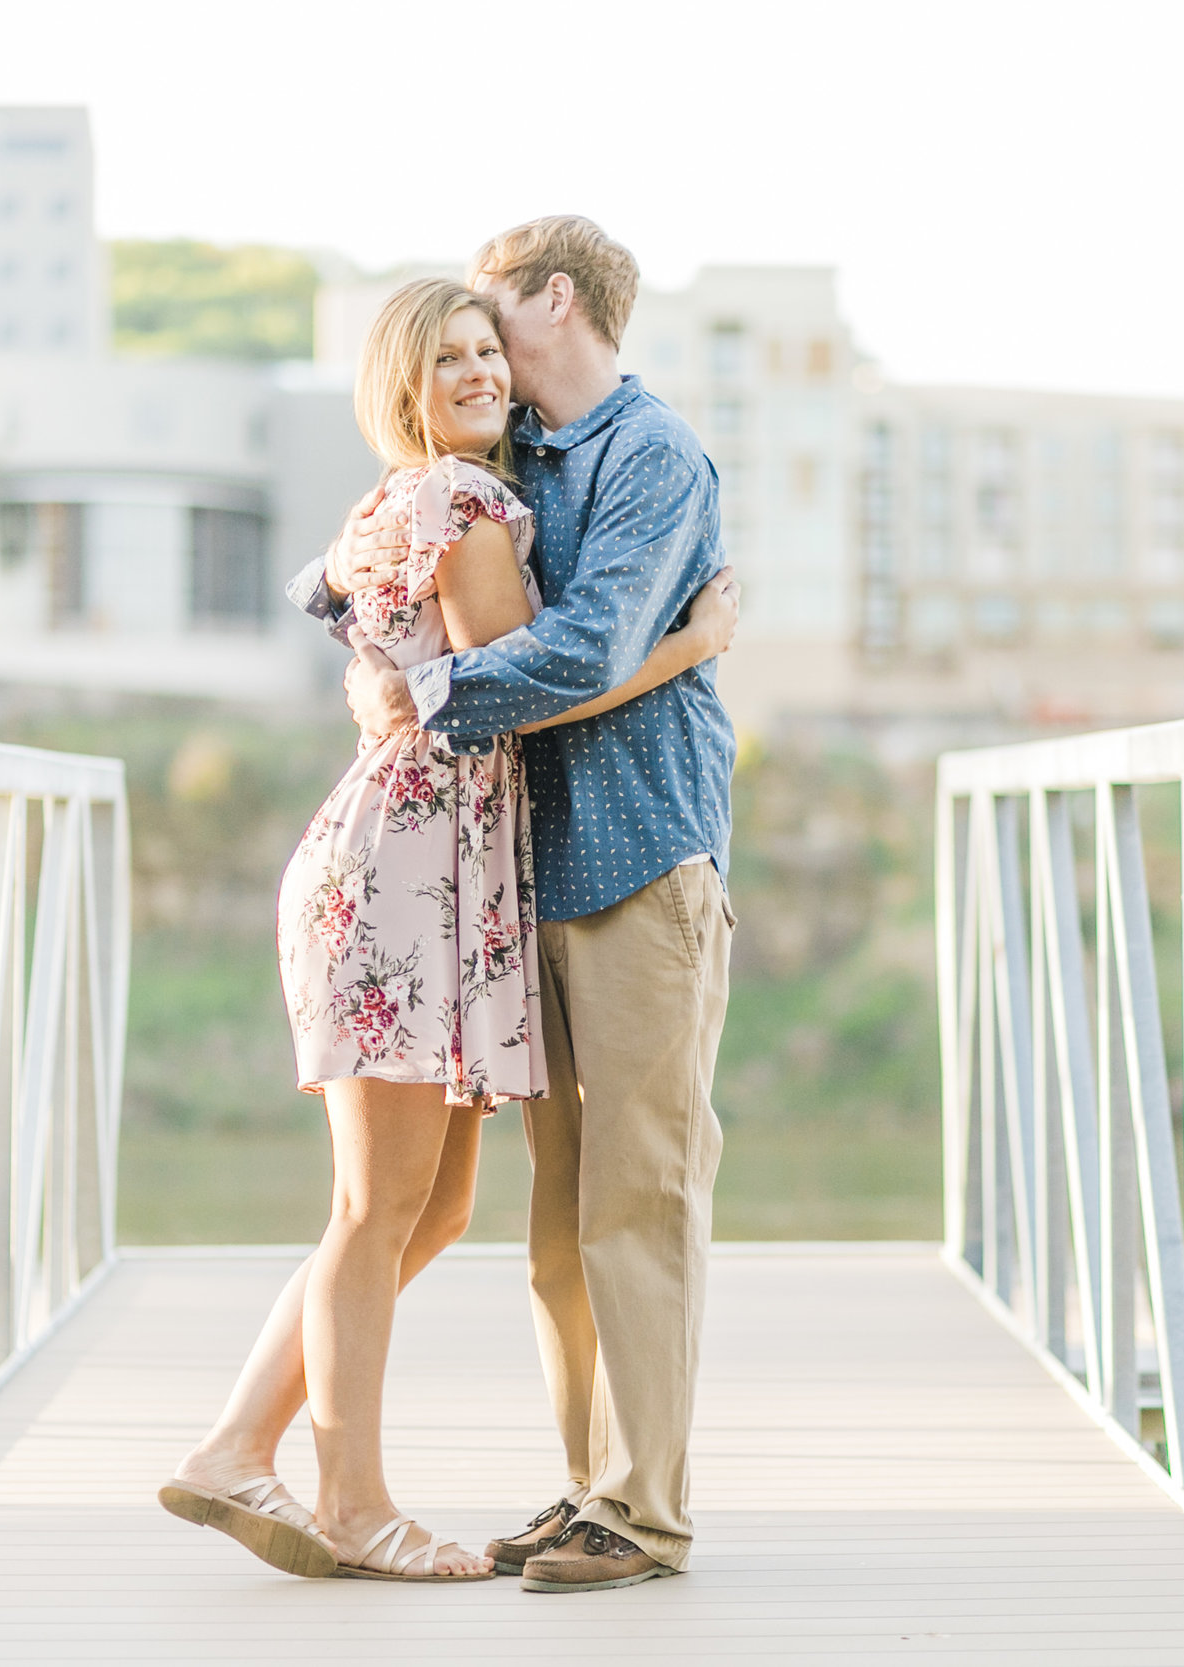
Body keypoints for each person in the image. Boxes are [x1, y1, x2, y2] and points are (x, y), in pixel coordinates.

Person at [156, 276, 736, 1583]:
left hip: (434, 872)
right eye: (452, 357)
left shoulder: (408, 494)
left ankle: (236, 1446)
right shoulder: (466, 499)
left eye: (489, 349)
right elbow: (532, 682)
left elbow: (350, 613)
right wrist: (689, 646)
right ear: (402, 385)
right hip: (409, 873)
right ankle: (348, 1501)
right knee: (379, 1210)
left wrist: (386, 672)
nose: (482, 372)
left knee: (426, 1212)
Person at [322, 217, 739, 1594]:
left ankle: (647, 1510)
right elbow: (361, 570)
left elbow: (578, 651)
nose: (485, 346)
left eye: (495, 316)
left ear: (558, 298)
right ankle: (589, 1489)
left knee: (643, 1195)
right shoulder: (521, 463)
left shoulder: (650, 455)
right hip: (528, 880)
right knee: (558, 1224)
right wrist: (363, 651)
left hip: (640, 864)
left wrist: (417, 695)